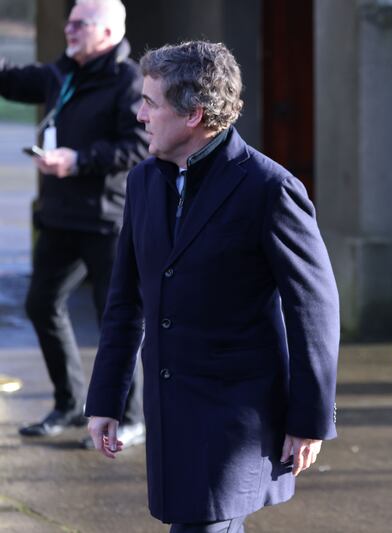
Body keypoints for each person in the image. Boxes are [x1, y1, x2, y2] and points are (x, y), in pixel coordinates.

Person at [84, 41, 339, 532]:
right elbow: (125, 302)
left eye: (151, 104)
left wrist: (309, 419)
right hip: (169, 414)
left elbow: (314, 308)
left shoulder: (270, 188)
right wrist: (106, 399)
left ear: (194, 115)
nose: (140, 116)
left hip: (234, 421)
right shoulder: (141, 182)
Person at [0, 0, 147, 443]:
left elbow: (139, 144)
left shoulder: (130, 81)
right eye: (68, 21)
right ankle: (69, 405)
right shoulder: (61, 72)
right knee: (41, 305)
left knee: (115, 318)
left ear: (107, 32)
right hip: (60, 216)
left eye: (79, 23)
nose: (68, 29)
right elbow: (9, 80)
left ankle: (130, 415)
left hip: (106, 220)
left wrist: (79, 160)